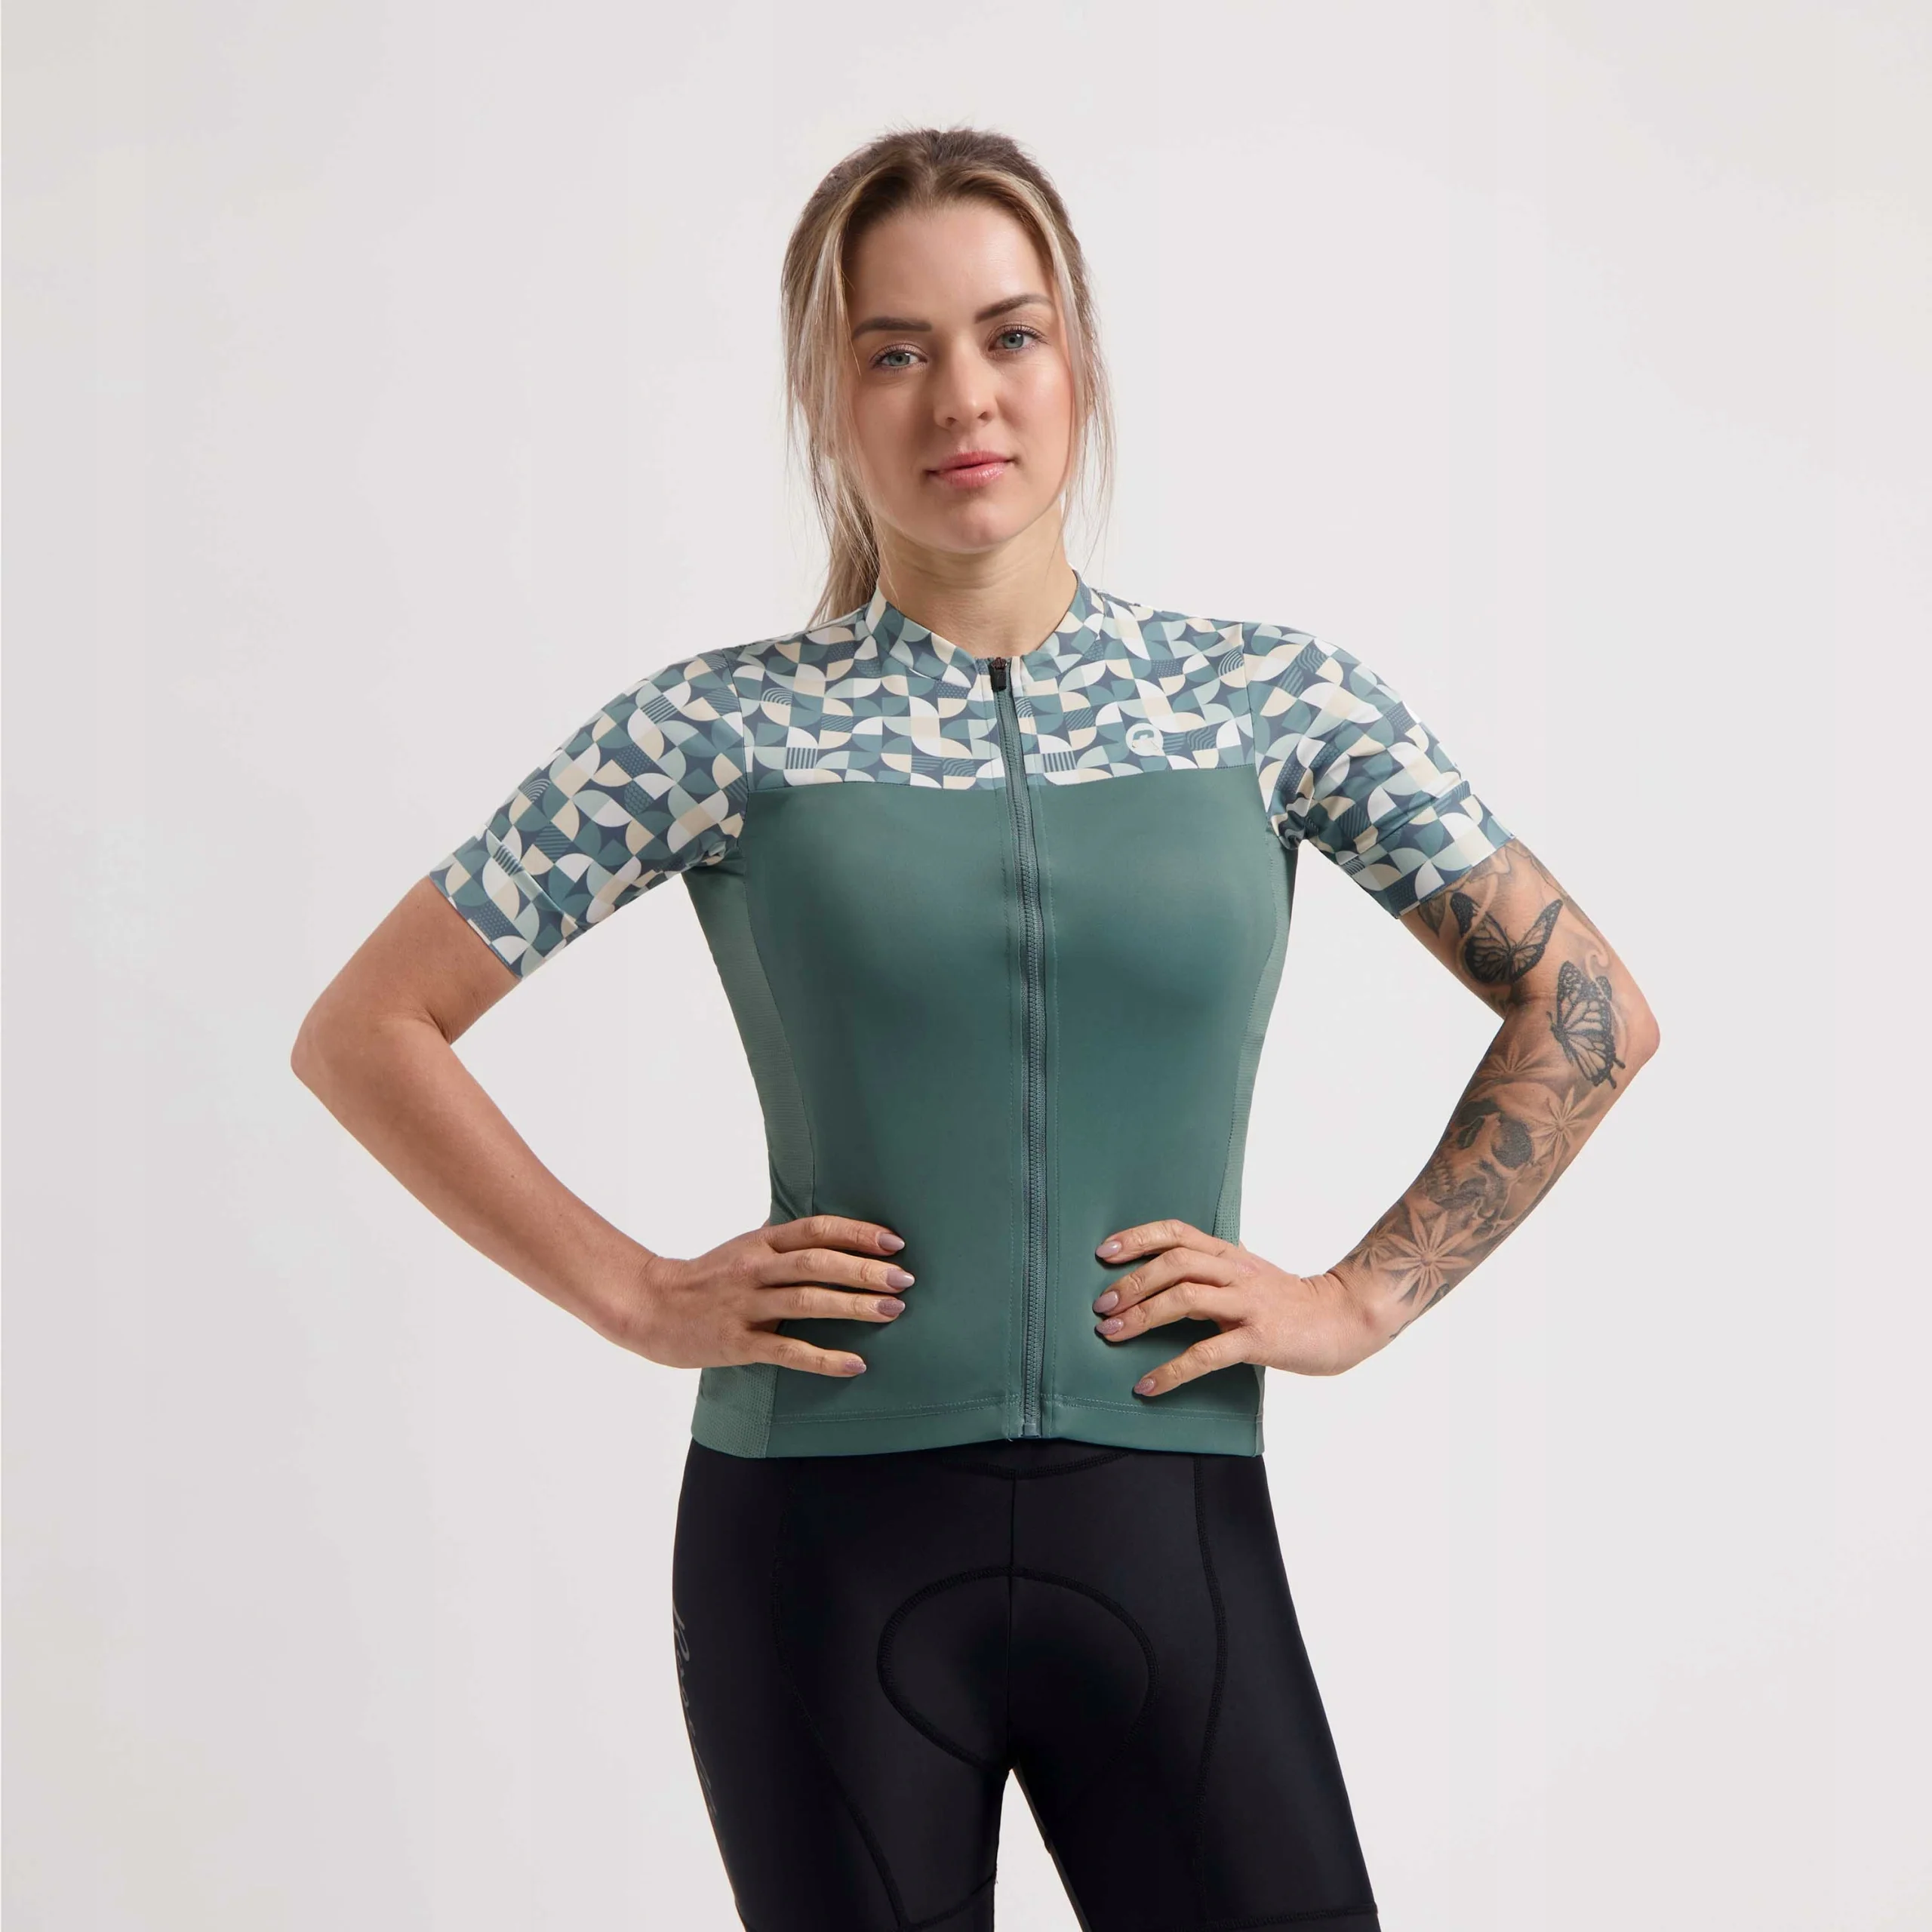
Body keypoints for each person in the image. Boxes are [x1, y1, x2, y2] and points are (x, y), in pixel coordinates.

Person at [293, 125, 1658, 1932]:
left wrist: (1358, 1295)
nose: (963, 397)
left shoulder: (1268, 704)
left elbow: (1585, 1005)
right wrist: (631, 1291)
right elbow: (369, 1025)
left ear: (1075, 355)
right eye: (894, 349)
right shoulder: (716, 731)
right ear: (825, 394)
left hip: (1168, 1525)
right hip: (816, 1547)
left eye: (1009, 334)